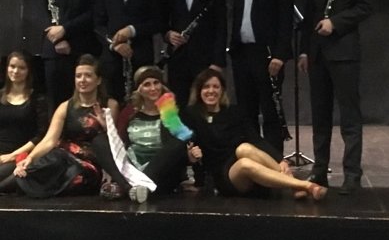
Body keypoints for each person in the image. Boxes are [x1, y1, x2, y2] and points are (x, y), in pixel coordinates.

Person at [298, 0, 373, 195]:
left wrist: (336, 22)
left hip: (344, 53)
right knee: (320, 115)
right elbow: (309, 15)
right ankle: (320, 170)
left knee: (349, 115)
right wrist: (305, 50)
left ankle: (352, 174)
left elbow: (365, 6)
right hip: (318, 54)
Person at [182, 68, 327, 200]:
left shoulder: (234, 111)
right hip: (224, 176)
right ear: (199, 90)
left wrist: (280, 160)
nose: (211, 91)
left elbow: (256, 139)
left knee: (244, 148)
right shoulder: (192, 115)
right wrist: (193, 163)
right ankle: (305, 185)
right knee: (244, 164)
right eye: (206, 87)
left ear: (222, 90)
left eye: (216, 87)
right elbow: (190, 149)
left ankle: (296, 185)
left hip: (241, 161)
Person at [13, 54, 132, 199]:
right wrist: (30, 158)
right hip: (62, 157)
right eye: (78, 76)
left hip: (89, 164)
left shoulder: (110, 105)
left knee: (73, 175)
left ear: (98, 80)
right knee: (41, 165)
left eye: (88, 75)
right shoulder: (65, 106)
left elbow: (114, 144)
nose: (82, 80)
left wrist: (105, 126)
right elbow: (49, 140)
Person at [229, 0, 294, 154]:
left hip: (267, 55)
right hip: (243, 53)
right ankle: (253, 157)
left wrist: (280, 55)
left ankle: (274, 159)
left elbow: (286, 19)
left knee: (270, 110)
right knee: (246, 112)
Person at [160, 0, 227, 108]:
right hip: (178, 57)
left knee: (205, 106)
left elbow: (221, 25)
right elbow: (161, 19)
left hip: (205, 58)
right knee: (179, 106)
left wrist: (217, 62)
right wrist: (167, 34)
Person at [115, 66, 197, 202]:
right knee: (100, 141)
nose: (153, 88)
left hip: (161, 174)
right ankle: (136, 186)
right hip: (132, 168)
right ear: (139, 89)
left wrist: (190, 157)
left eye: (156, 83)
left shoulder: (170, 113)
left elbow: (179, 148)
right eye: (147, 84)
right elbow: (119, 142)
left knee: (177, 143)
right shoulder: (129, 113)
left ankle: (139, 185)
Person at [42, 0, 101, 117]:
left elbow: (93, 15)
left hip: (81, 49)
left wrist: (65, 31)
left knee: (82, 105)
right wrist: (58, 39)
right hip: (54, 51)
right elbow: (45, 13)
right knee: (54, 105)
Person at [0, 51, 48, 193]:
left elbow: (40, 135)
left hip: (21, 156)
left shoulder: (38, 99)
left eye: (21, 68)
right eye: (12, 66)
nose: (15, 71)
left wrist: (12, 155)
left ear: (29, 71)